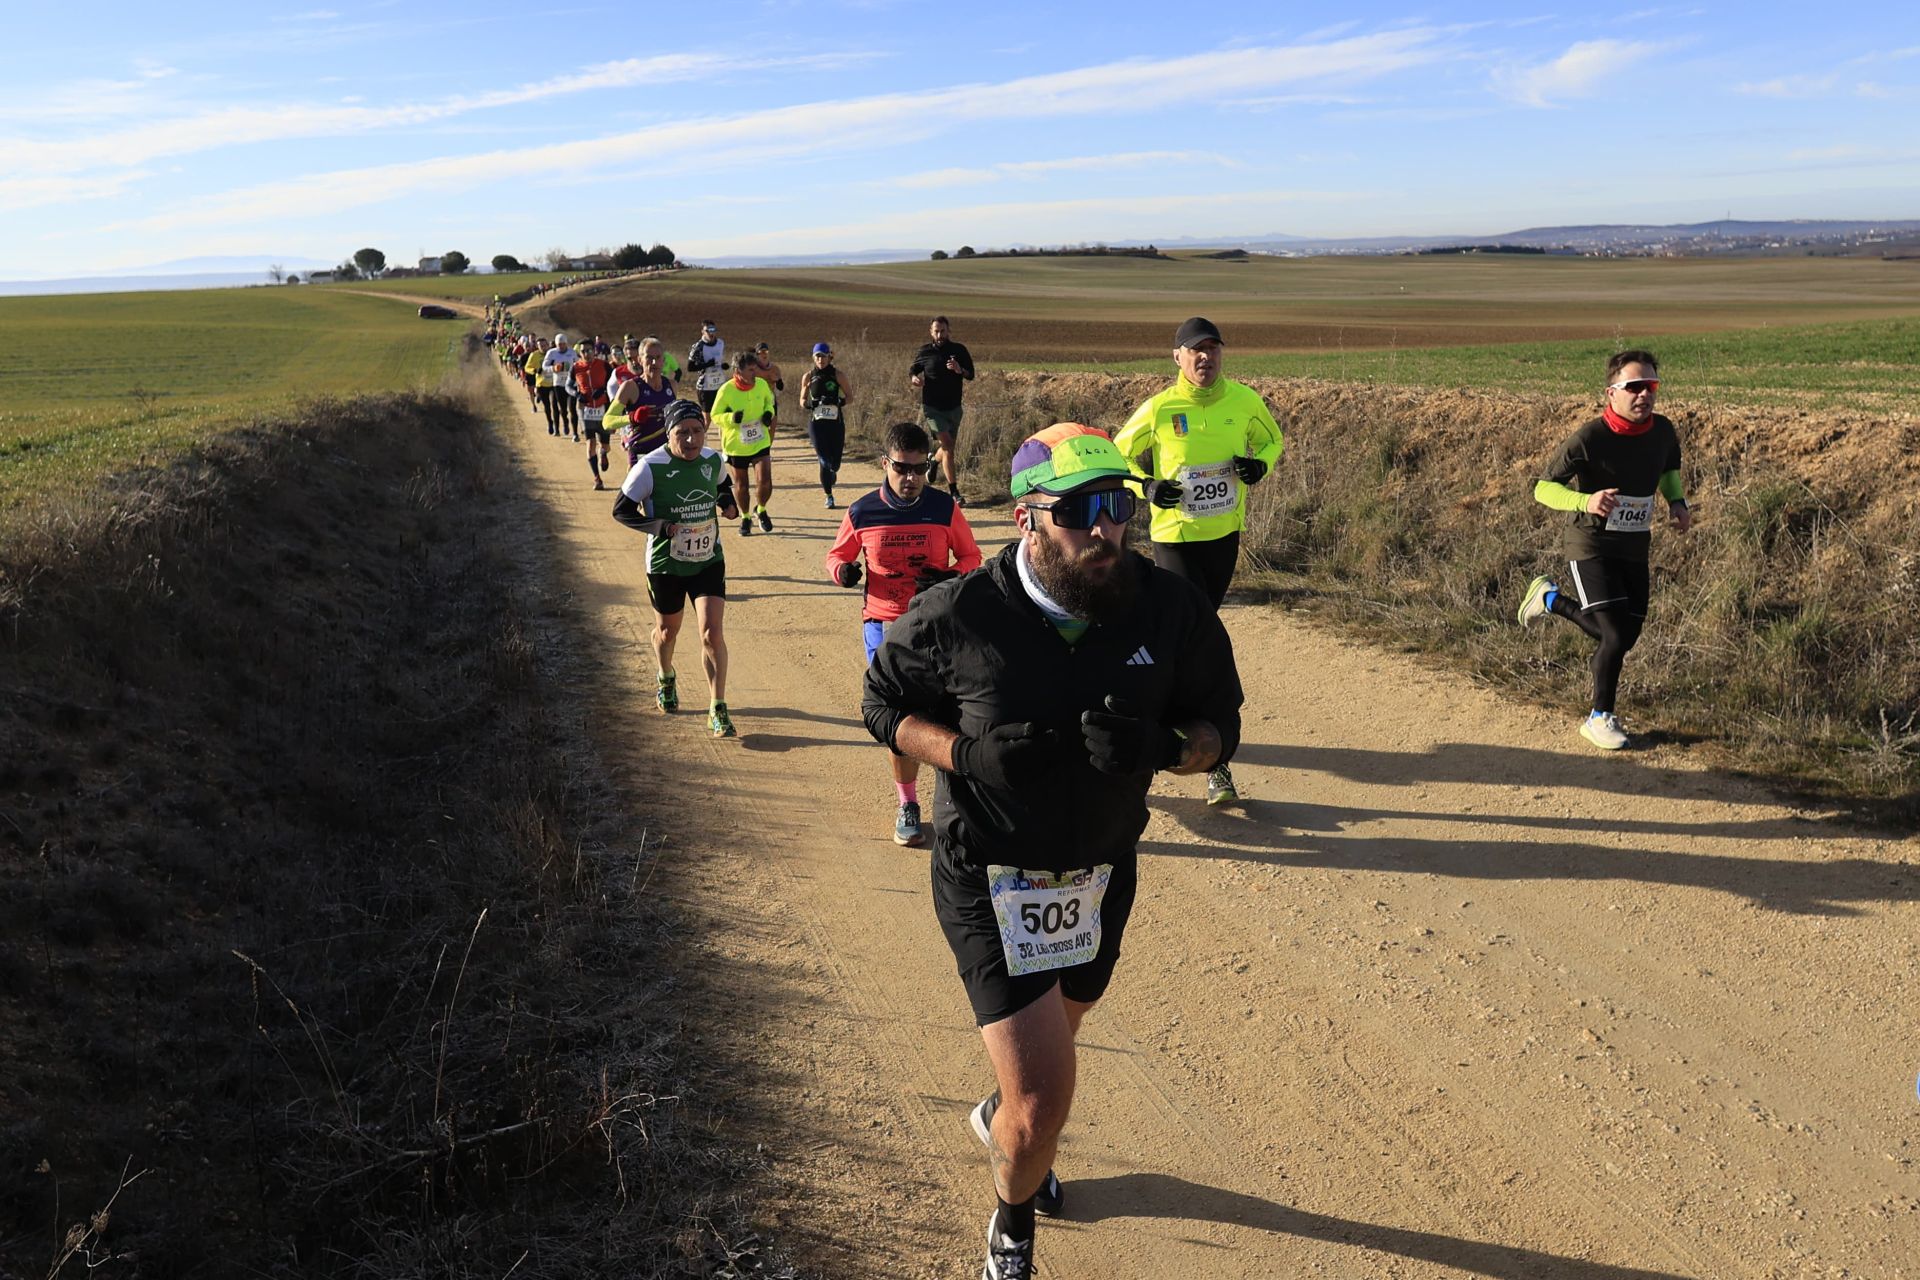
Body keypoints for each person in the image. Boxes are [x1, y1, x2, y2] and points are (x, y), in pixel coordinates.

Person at [862, 423, 1243, 1279]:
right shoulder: (960, 612)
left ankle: (1005, 1118)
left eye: (1123, 507)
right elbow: (883, 707)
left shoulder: (1168, 605)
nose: (1110, 529)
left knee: (1054, 1049)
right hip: (988, 873)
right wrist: (965, 755)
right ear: (1028, 518)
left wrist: (1167, 749)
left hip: (1101, 871)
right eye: (1084, 511)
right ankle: (1013, 1226)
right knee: (1043, 1104)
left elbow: (1222, 729)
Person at [1113, 315, 1282, 807]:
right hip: (1175, 539)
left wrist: (1259, 465)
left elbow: (1274, 440)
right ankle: (1205, 757)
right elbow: (1119, 454)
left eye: (1213, 348)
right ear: (1178, 358)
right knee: (1195, 634)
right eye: (1195, 349)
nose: (1205, 357)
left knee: (1194, 636)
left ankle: (1178, 736)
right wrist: (1143, 485)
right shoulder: (1161, 408)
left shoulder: (1244, 400)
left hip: (1224, 536)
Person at [1517, 349, 1690, 750]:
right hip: (1589, 543)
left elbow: (1667, 470)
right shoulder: (1590, 437)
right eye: (1634, 387)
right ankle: (1600, 717)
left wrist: (1677, 503)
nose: (1644, 394)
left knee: (1625, 636)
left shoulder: (1663, 431)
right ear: (1611, 392)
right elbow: (1543, 488)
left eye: (1651, 386)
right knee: (1613, 635)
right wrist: (1586, 501)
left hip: (1633, 545)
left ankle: (1551, 599)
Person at [825, 422, 981, 846]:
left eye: (919, 469)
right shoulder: (861, 512)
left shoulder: (944, 508)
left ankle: (957, 797)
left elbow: (971, 556)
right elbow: (836, 556)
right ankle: (907, 802)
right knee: (903, 716)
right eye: (901, 469)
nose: (910, 479)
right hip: (884, 625)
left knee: (949, 712)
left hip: (939, 625)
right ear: (885, 464)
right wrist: (844, 571)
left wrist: (949, 576)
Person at [612, 400, 743, 738]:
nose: (690, 439)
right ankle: (666, 676)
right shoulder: (649, 467)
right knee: (667, 634)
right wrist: (659, 527)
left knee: (711, 634)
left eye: (697, 431)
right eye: (681, 433)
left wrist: (727, 505)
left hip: (707, 561)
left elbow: (722, 486)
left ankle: (718, 708)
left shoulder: (713, 459)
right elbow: (621, 511)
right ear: (669, 434)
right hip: (665, 564)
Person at [908, 316, 975, 506]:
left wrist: (959, 369)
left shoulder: (959, 350)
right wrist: (914, 378)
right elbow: (913, 369)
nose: (940, 335)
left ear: (949, 331)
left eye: (943, 331)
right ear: (931, 332)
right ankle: (954, 492)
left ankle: (934, 461)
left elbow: (971, 374)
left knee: (948, 447)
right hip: (932, 408)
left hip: (954, 407)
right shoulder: (925, 352)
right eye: (936, 331)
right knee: (948, 446)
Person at [709, 351, 777, 535]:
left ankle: (761, 510)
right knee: (742, 485)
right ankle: (746, 517)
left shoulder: (762, 385)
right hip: (736, 444)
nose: (755, 374)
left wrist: (768, 414)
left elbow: (768, 403)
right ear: (738, 371)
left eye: (756, 369)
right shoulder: (726, 390)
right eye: (750, 370)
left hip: (760, 441)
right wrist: (731, 418)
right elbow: (715, 415)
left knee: (765, 480)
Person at [608, 337, 680, 468]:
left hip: (666, 453)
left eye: (658, 357)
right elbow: (607, 421)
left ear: (663, 361)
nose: (654, 362)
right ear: (640, 360)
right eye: (649, 357)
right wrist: (632, 417)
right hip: (641, 454)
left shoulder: (672, 386)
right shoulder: (630, 387)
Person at [800, 341, 851, 508]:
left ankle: (832, 470)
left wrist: (837, 400)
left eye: (823, 356)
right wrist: (809, 404)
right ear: (813, 358)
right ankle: (828, 495)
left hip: (835, 423)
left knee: (835, 463)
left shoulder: (838, 375)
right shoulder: (808, 376)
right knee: (823, 459)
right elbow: (802, 400)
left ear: (830, 356)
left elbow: (850, 397)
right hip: (816, 424)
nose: (820, 360)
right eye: (817, 356)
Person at [573, 340, 615, 488]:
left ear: (594, 351)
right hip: (586, 411)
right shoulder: (576, 367)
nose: (587, 353)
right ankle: (597, 478)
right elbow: (569, 385)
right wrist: (577, 394)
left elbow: (613, 384)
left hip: (603, 410)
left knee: (605, 445)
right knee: (590, 443)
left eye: (589, 350)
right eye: (583, 351)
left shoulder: (604, 365)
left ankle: (603, 453)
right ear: (580, 353)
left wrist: (603, 391)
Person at [543, 333, 581, 440]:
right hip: (558, 384)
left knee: (572, 409)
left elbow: (579, 364)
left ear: (566, 343)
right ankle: (565, 422)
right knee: (563, 409)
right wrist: (553, 368)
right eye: (559, 344)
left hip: (571, 384)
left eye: (563, 344)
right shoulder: (552, 353)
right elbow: (544, 366)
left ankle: (575, 433)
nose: (561, 346)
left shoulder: (572, 352)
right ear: (556, 344)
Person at [688, 320, 727, 412]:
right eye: (708, 330)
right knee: (707, 418)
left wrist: (722, 366)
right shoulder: (698, 347)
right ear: (702, 332)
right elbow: (690, 367)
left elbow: (717, 362)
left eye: (713, 330)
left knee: (721, 413)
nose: (710, 333)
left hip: (719, 384)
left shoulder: (720, 343)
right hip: (705, 387)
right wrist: (707, 365)